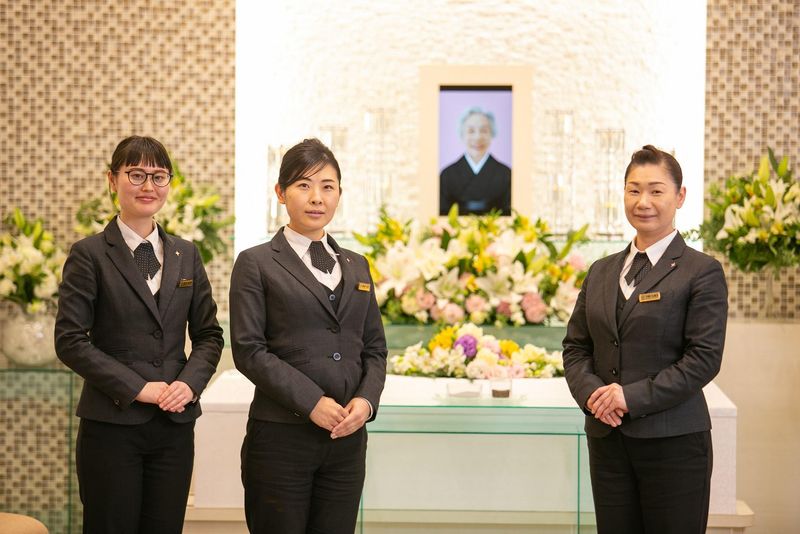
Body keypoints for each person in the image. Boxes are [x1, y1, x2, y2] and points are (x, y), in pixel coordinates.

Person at [55, 136, 224, 534]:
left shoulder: (187, 254)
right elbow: (70, 340)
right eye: (136, 174)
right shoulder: (89, 254)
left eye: (159, 176)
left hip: (174, 427)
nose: (149, 186)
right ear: (112, 180)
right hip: (111, 426)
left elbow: (209, 335)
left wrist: (189, 384)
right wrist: (138, 388)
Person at [562, 145, 728, 534]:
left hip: (674, 443)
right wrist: (594, 396)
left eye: (656, 190)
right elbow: (576, 347)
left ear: (680, 196)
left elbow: (703, 358)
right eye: (634, 190)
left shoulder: (701, 271)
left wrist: (629, 397)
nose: (643, 202)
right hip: (607, 440)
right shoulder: (601, 271)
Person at [229, 138, 387, 533]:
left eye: (327, 186)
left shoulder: (357, 265)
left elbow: (374, 349)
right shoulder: (256, 263)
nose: (317, 197)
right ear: (281, 192)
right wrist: (312, 402)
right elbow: (249, 350)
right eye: (304, 185)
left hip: (346, 441)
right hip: (281, 439)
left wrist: (366, 402)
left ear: (339, 195)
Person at [439, 106, 511, 215]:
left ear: (492, 134)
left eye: (484, 131)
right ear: (462, 134)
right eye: (471, 131)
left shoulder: (505, 174)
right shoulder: (447, 175)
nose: (478, 137)